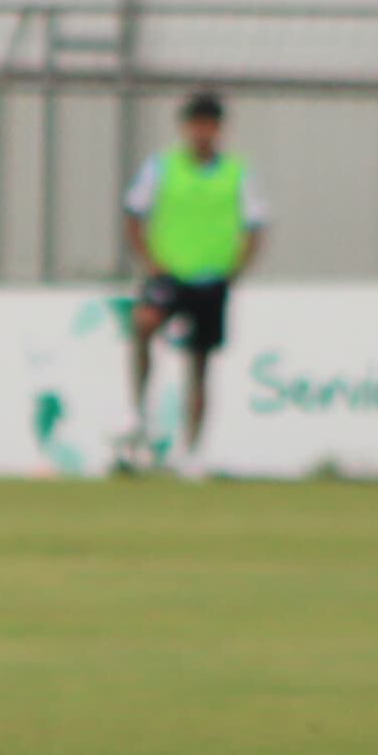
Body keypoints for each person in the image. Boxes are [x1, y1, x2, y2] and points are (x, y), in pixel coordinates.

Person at [119, 91, 266, 472]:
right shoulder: (162, 167)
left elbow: (254, 226)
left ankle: (193, 449)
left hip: (212, 278)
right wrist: (150, 262)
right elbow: (134, 214)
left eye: (209, 126)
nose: (202, 133)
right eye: (196, 125)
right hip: (169, 273)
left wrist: (236, 270)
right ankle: (140, 418)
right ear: (185, 128)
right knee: (144, 324)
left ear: (219, 130)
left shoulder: (237, 171)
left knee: (199, 364)